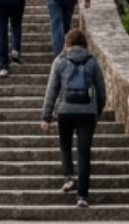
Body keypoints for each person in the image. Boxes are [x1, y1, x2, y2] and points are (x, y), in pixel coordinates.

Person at [41, 27, 107, 207]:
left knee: (65, 145)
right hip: (87, 112)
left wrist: (46, 116)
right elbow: (101, 90)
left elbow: (51, 90)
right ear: (84, 43)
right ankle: (82, 196)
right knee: (84, 153)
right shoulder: (92, 61)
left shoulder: (60, 61)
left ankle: (69, 177)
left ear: (67, 42)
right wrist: (97, 111)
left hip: (65, 110)